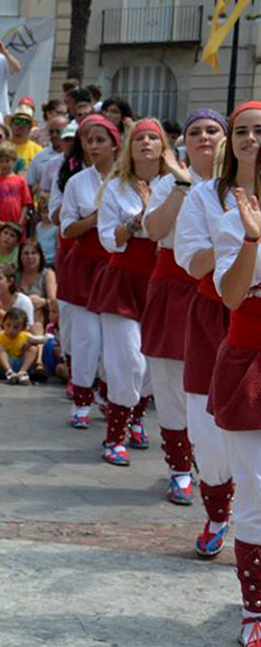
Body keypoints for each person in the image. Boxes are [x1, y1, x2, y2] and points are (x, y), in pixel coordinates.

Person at [173, 105, 250, 558]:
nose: (251, 140)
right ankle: (219, 511)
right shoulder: (204, 197)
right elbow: (193, 260)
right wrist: (239, 237)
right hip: (214, 314)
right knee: (206, 426)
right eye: (243, 131)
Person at [141, 109, 226, 506]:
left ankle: (224, 468)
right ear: (183, 143)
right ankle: (179, 467)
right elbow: (154, 231)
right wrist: (181, 183)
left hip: (226, 293)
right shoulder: (167, 184)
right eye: (195, 132)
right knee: (171, 381)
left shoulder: (243, 185)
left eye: (213, 130)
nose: (204, 137)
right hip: (174, 284)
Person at [89, 119, 167, 466]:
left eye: (154, 137)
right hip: (123, 280)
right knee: (127, 361)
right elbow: (109, 238)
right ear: (129, 147)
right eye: (140, 138)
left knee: (152, 365)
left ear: (163, 146)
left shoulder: (175, 185)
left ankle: (136, 415)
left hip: (161, 282)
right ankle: (114, 435)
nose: (147, 143)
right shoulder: (115, 187)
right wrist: (140, 222)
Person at [211, 172, 261, 647]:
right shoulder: (235, 221)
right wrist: (251, 237)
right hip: (250, 362)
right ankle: (255, 610)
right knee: (256, 490)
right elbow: (230, 295)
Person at [59, 115, 118, 428]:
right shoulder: (77, 182)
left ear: (114, 143)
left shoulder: (128, 182)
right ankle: (81, 401)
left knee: (115, 342)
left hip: (117, 269)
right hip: (85, 267)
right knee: (86, 339)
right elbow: (67, 228)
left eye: (100, 140)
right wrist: (95, 220)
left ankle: (110, 397)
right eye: (88, 140)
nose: (94, 146)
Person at [0, 142, 32, 248]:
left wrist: (20, 223)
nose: (4, 164)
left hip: (16, 223)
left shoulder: (21, 181)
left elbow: (25, 204)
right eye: (1, 161)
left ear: (14, 161)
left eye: (7, 161)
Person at [0, 308, 44, 385]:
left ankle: (22, 372)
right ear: (3, 324)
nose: (11, 330)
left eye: (16, 327)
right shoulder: (0, 337)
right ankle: (10, 373)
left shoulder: (25, 336)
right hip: (6, 365)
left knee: (33, 348)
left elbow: (41, 340)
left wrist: (32, 343)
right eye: (8, 325)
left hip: (21, 364)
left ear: (22, 328)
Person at [17, 239, 57, 331]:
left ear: (40, 256)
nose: (30, 257)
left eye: (34, 253)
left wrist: (42, 302)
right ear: (20, 256)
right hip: (18, 315)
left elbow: (53, 302)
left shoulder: (47, 274)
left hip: (41, 316)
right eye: (26, 253)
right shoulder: (15, 275)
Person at [27, 115, 68, 202]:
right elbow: (29, 186)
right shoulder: (39, 157)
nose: (54, 135)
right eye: (51, 132)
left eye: (58, 132)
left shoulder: (76, 157)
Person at [6, 104, 43, 169]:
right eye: (17, 121)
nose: (21, 125)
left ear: (30, 127)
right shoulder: (2, 147)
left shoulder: (38, 151)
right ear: (11, 124)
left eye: (25, 122)